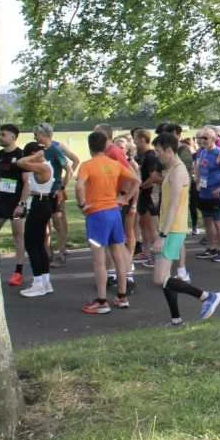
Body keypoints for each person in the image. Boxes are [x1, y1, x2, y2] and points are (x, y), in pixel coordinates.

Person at [150, 132, 220, 325]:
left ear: (168, 150)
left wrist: (163, 236)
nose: (157, 155)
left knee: (159, 279)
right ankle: (176, 320)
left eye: (158, 151)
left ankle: (207, 296)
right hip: (169, 227)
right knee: (165, 278)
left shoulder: (178, 171)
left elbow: (174, 206)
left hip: (172, 229)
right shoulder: (172, 170)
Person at [77, 131, 141, 315]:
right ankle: (122, 297)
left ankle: (102, 301)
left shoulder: (87, 165)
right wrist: (125, 198)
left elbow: (80, 185)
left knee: (99, 261)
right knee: (118, 255)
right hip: (114, 212)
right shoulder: (114, 164)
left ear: (89, 146)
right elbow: (136, 180)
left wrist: (82, 204)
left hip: (97, 214)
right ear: (106, 145)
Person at [32, 122, 79, 266]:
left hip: (54, 192)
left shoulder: (55, 149)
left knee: (58, 223)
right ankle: (48, 254)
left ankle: (61, 254)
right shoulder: (37, 150)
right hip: (41, 193)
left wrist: (62, 187)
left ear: (43, 135)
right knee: (44, 225)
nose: (34, 137)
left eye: (36, 134)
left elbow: (69, 169)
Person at [14, 142, 56, 297]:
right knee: (38, 244)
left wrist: (36, 155)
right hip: (40, 203)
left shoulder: (43, 166)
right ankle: (45, 282)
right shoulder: (42, 166)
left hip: (40, 204)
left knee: (32, 244)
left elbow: (20, 163)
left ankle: (38, 283)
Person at [194, 126, 220, 262]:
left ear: (214, 139)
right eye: (200, 138)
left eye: (205, 138)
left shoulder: (219, 153)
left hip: (215, 193)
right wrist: (197, 182)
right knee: (207, 221)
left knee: (218, 221)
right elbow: (199, 169)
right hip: (204, 192)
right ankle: (212, 247)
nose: (202, 140)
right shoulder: (203, 152)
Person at [0, 124, 27, 286]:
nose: (0, 137)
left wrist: (21, 204)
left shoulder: (21, 156)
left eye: (3, 135)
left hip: (16, 205)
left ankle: (18, 272)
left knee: (18, 237)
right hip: (0, 204)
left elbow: (27, 183)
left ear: (13, 137)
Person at [133, 129, 162, 267]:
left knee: (152, 227)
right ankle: (146, 252)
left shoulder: (150, 156)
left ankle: (158, 258)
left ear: (143, 139)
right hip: (143, 196)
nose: (134, 142)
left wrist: (141, 186)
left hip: (150, 195)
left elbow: (154, 177)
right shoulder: (142, 155)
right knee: (143, 224)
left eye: (135, 139)